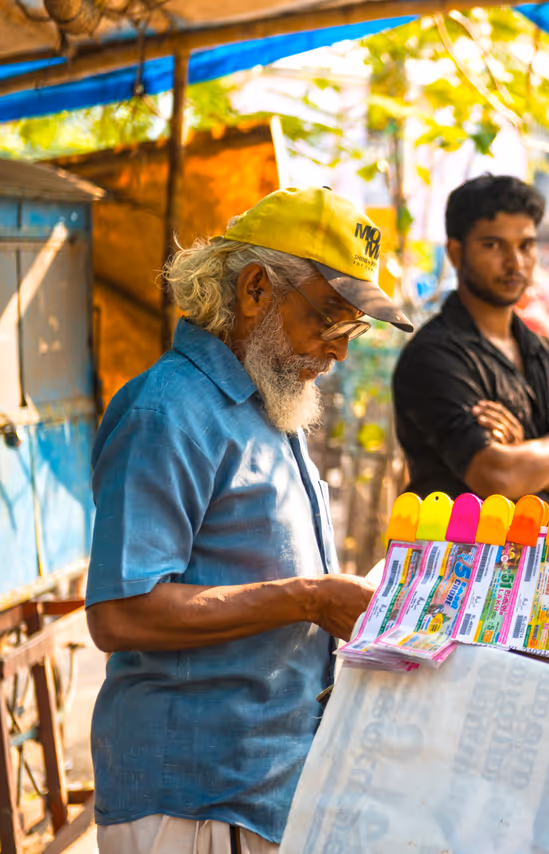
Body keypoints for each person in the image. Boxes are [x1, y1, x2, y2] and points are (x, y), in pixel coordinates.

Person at [86, 187, 414, 854]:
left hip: (260, 783)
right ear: (257, 290)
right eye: (329, 320)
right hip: (195, 794)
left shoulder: (266, 399)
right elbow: (120, 613)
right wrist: (311, 597)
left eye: (354, 328)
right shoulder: (168, 409)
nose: (340, 352)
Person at [393, 174, 549, 500]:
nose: (515, 262)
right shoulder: (434, 357)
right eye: (493, 245)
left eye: (525, 246)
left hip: (547, 551)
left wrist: (522, 453)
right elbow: (497, 476)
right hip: (457, 550)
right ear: (456, 253)